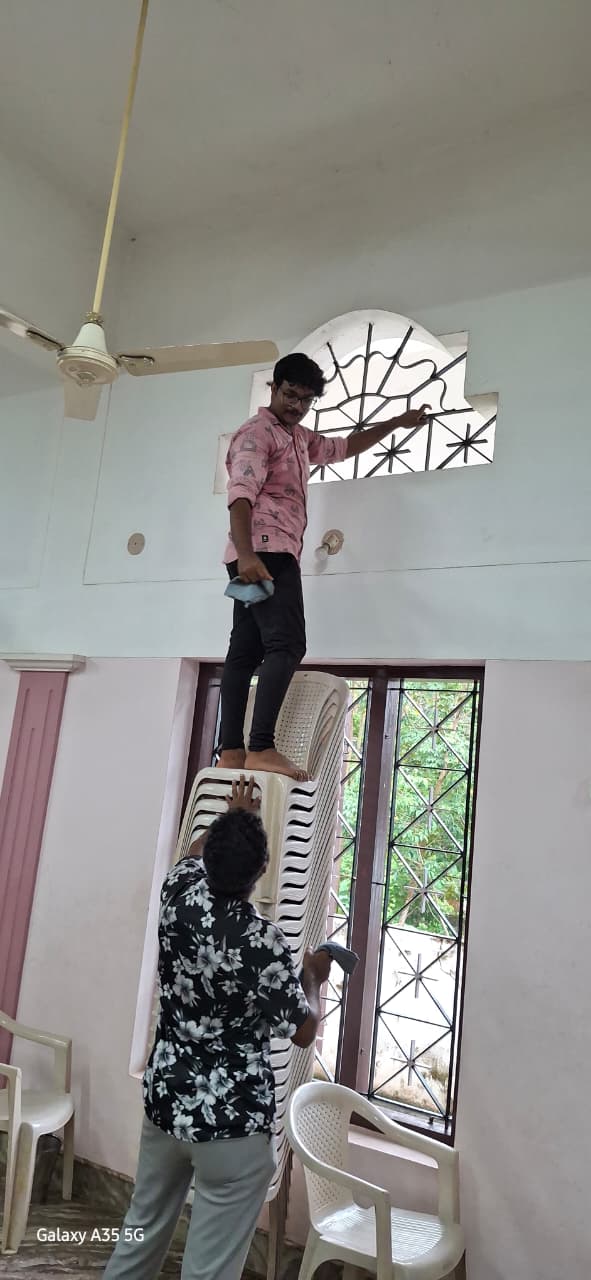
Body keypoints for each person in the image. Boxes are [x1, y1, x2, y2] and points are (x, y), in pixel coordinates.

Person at [103, 776, 331, 1280]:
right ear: (263, 872)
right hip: (231, 1126)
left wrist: (232, 815)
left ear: (208, 861)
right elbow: (302, 1030)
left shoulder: (177, 896)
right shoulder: (262, 943)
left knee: (140, 1231)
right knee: (208, 1270)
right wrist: (314, 976)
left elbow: (193, 852)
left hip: (166, 1102)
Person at [219, 351, 429, 779]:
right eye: (290, 395)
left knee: (245, 650)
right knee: (287, 645)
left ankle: (232, 751)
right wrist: (247, 555)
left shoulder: (298, 437)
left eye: (306, 400)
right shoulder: (257, 434)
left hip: (257, 555)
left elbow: (345, 447)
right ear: (274, 387)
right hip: (264, 554)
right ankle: (261, 747)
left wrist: (397, 422)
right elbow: (240, 495)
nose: (296, 405)